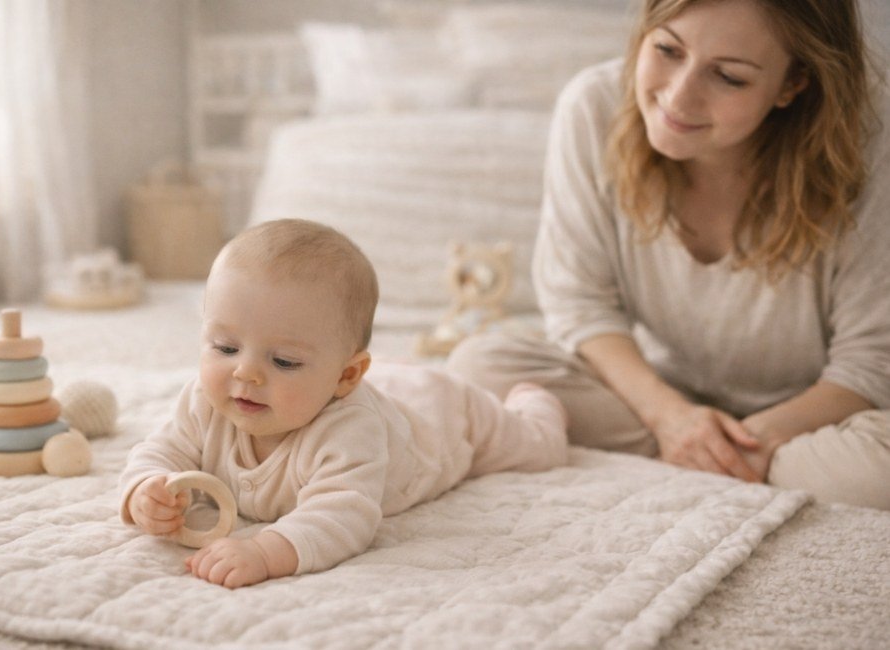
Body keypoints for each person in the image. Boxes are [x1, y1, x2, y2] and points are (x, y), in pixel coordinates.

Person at [448, 0, 890, 510]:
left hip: (815, 419)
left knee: (874, 471)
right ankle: (704, 457)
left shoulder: (871, 138)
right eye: (667, 50)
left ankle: (702, 462)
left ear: (794, 83)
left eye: (728, 76)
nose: (678, 97)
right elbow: (580, 304)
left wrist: (753, 439)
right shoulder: (593, 106)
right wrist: (671, 418)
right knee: (481, 367)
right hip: (659, 397)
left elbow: (871, 362)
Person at [119, 218, 567, 588]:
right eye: (225, 348)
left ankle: (535, 400)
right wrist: (145, 490)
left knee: (538, 448)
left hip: (441, 413)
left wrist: (264, 552)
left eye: (284, 361)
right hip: (387, 385)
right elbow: (160, 450)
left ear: (346, 376)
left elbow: (344, 515)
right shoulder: (205, 401)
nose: (246, 373)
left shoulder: (350, 430)